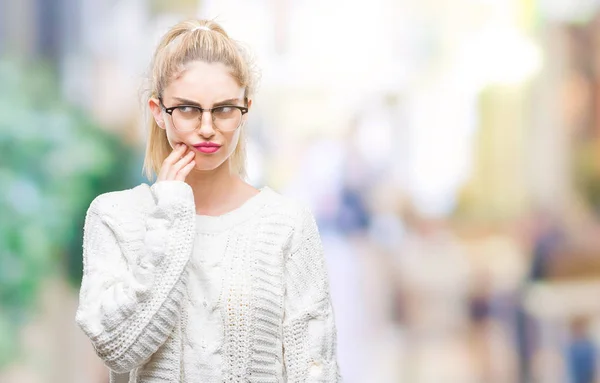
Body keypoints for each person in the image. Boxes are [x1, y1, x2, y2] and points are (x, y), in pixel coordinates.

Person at [75, 19, 341, 382]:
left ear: (245, 108)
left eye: (224, 109)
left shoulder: (287, 223)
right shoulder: (114, 216)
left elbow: (315, 370)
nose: (206, 127)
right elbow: (118, 348)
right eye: (187, 108)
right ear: (158, 110)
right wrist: (170, 214)